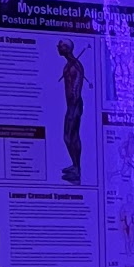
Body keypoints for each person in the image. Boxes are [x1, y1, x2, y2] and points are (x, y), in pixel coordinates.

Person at [57, 39, 87, 183]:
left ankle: (76, 169)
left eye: (61, 46)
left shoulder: (76, 66)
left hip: (74, 105)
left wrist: (73, 107)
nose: (58, 48)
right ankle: (76, 166)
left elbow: (76, 89)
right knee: (73, 136)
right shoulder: (68, 66)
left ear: (67, 48)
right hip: (71, 105)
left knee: (68, 137)